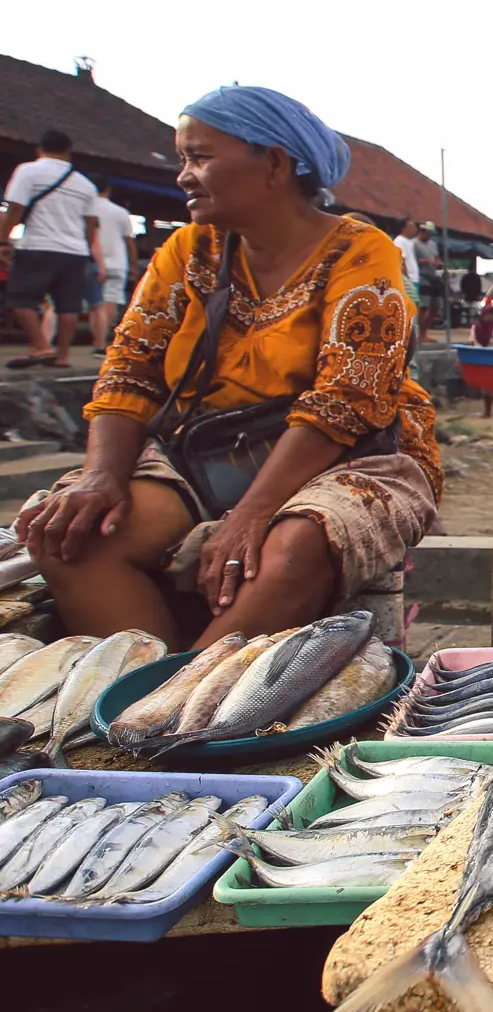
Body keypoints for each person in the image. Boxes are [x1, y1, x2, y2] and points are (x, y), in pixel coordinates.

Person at [19, 86, 441, 651]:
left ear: (273, 163)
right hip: (209, 449)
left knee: (292, 547)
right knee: (71, 535)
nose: (184, 176)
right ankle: (143, 695)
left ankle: (180, 704)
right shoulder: (191, 250)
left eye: (200, 157)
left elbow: (347, 399)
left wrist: (253, 513)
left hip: (352, 452)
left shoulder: (358, 249)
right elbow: (130, 372)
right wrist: (101, 474)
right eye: (183, 159)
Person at [0, 129, 101, 369]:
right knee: (68, 305)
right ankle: (62, 356)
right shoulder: (85, 184)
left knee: (21, 299)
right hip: (74, 251)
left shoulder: (28, 171)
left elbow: (15, 209)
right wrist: (85, 248)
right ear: (68, 152)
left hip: (37, 246)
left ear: (39, 149)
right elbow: (90, 224)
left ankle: (42, 345)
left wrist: (3, 241)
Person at [86, 179, 140, 357]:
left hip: (91, 261)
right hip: (118, 263)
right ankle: (102, 340)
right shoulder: (121, 212)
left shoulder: (85, 209)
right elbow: (129, 242)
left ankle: (96, 340)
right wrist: (133, 264)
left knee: (95, 304)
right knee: (109, 301)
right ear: (108, 189)